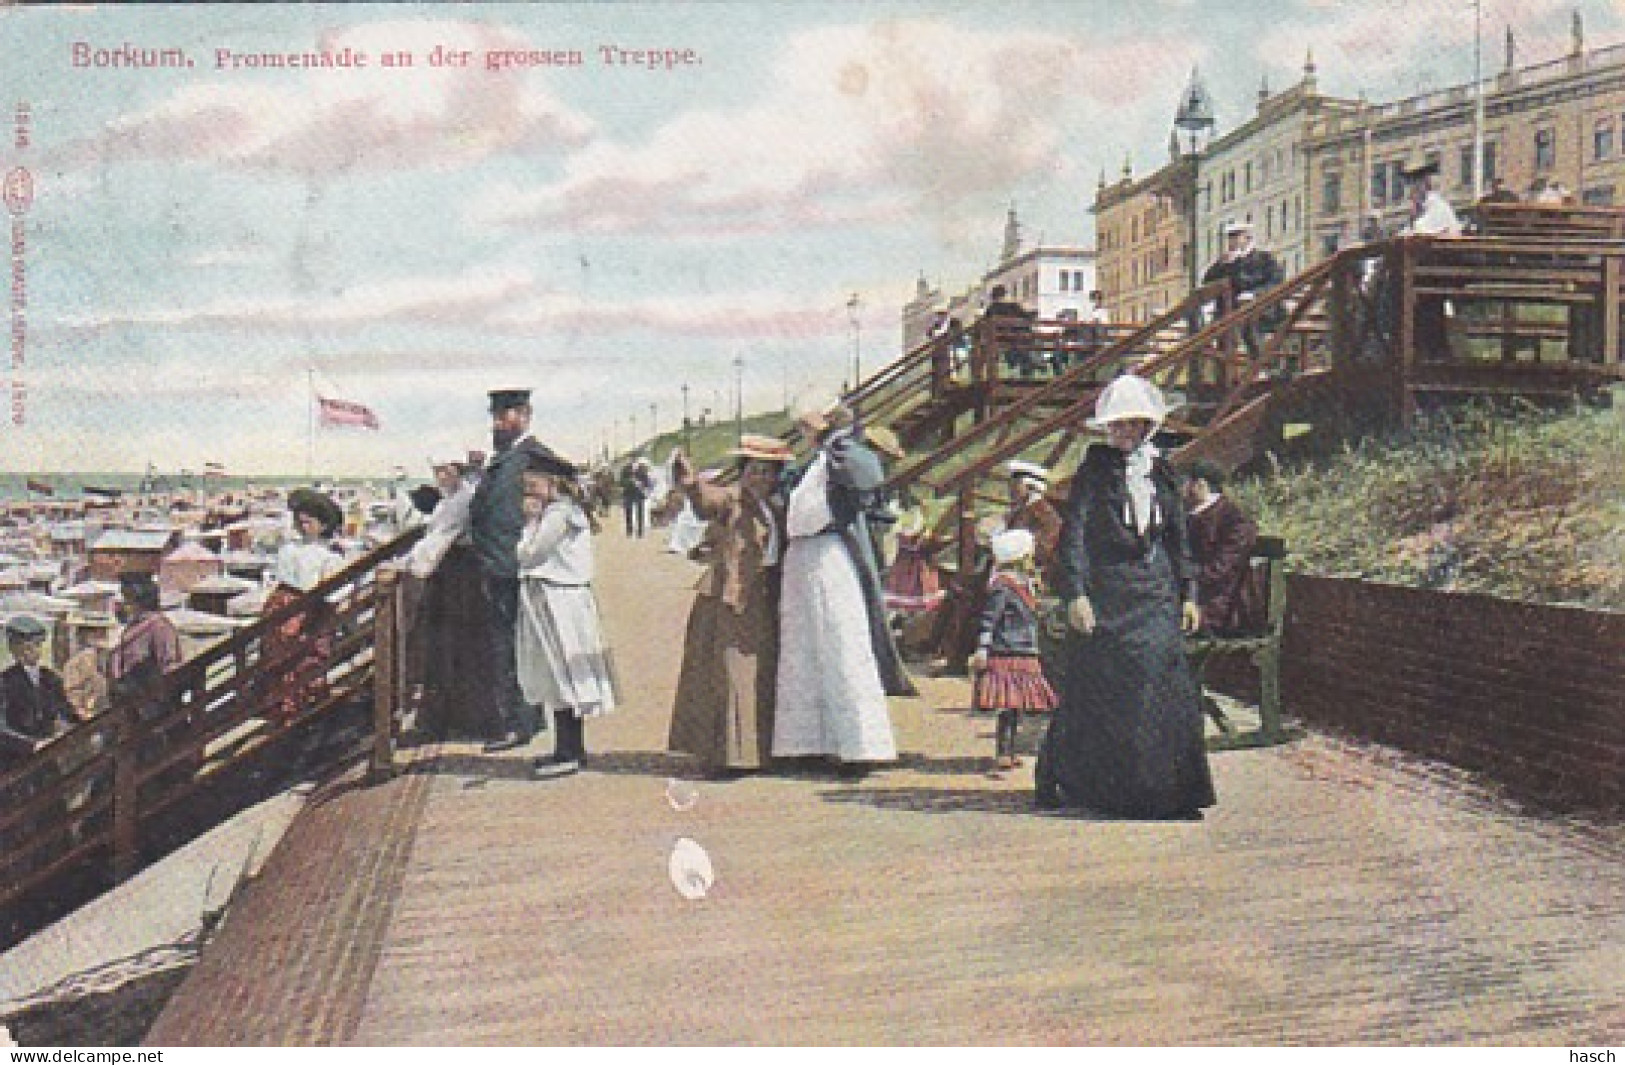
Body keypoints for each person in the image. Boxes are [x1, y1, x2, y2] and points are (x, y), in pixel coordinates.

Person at [1036, 375, 1216, 820]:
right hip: (1110, 591)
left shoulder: (1163, 471)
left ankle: (1164, 792)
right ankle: (1109, 789)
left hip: (1155, 591)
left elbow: (1178, 540)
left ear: (1146, 427)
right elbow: (1074, 536)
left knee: (1161, 679)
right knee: (1106, 685)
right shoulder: (1094, 471)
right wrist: (1075, 594)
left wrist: (1189, 593)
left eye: (1132, 426)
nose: (1124, 434)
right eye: (1116, 426)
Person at [773, 405, 915, 772]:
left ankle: (859, 746)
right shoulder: (811, 461)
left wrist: (839, 437)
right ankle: (807, 743)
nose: (803, 427)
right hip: (801, 556)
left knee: (841, 640)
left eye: (809, 420)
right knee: (802, 647)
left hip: (830, 551)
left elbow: (869, 475)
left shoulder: (843, 452)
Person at [667, 435, 792, 777]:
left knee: (756, 676)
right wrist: (692, 484)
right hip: (729, 598)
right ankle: (725, 755)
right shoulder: (733, 500)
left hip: (761, 598)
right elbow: (708, 501)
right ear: (743, 472)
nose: (761, 478)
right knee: (729, 675)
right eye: (755, 471)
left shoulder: (775, 506)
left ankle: (755, 752)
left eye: (768, 472)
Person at [469, 388, 574, 753]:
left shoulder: (533, 456)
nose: (499, 422)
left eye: (507, 415)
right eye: (496, 416)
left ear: (526, 415)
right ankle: (522, 720)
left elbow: (564, 491)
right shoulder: (507, 458)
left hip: (516, 566)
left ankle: (518, 724)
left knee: (516, 648)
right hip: (498, 565)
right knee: (509, 647)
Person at [514, 452, 615, 779]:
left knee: (564, 672)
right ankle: (566, 748)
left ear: (552, 483)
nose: (528, 492)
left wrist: (529, 523)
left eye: (533, 485)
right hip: (552, 598)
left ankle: (571, 751)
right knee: (557, 674)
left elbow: (530, 554)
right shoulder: (560, 512)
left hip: (560, 600)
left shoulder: (558, 516)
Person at [404, 457, 499, 739]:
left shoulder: (463, 499)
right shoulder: (449, 499)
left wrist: (411, 565)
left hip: (461, 575)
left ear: (459, 471)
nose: (441, 476)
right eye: (437, 471)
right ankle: (452, 716)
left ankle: (463, 719)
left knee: (458, 646)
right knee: (447, 647)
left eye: (446, 470)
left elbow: (441, 538)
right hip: (451, 574)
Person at [970, 529, 1058, 775]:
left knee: (1017, 706)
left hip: (1025, 650)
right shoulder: (1003, 587)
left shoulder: (1024, 584)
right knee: (1007, 706)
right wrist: (983, 647)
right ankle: (1002, 752)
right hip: (1007, 651)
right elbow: (990, 619)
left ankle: (1011, 750)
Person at [260, 488, 345, 725]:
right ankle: (285, 710)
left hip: (309, 609)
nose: (302, 526)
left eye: (309, 522)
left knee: (305, 660)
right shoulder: (291, 550)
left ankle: (303, 710)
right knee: (284, 660)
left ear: (324, 524)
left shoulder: (328, 556)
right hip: (288, 607)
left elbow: (333, 592)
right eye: (301, 521)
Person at [1183, 461, 1261, 636]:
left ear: (1200, 485)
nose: (1182, 488)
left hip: (1222, 602)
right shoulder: (1188, 515)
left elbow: (1223, 568)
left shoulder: (1233, 519)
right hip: (1191, 593)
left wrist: (1187, 578)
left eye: (1186, 482)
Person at [1398, 159, 1461, 362]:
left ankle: (1431, 353)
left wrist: (1413, 220)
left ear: (1424, 184)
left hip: (1443, 271)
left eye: (1414, 183)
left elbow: (1418, 233)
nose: (1410, 190)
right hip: (1432, 271)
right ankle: (1424, 350)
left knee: (1424, 303)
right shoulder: (1425, 208)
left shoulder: (1437, 206)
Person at [108, 572, 183, 724]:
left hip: (151, 706)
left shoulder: (158, 626)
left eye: (128, 600)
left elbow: (169, 664)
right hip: (128, 704)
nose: (123, 606)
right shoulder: (131, 627)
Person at [1203, 221, 1283, 361]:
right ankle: (1227, 367)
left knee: (1249, 321)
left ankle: (1259, 364)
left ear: (1247, 238)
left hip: (1262, 308)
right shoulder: (1227, 262)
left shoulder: (1264, 258)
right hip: (1231, 312)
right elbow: (1207, 283)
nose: (1232, 241)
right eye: (1230, 237)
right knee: (1223, 325)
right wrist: (1221, 265)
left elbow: (1275, 283)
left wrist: (1254, 294)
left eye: (1236, 237)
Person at [0, 615, 73, 765]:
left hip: (48, 758)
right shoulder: (5, 682)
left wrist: (67, 729)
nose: (33, 651)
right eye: (27, 647)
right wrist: (31, 746)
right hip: (14, 761)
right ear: (13, 649)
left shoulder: (51, 679)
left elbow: (66, 712)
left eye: (38, 645)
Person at [1004, 460, 1062, 589]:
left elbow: (1046, 547)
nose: (1011, 490)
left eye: (1016, 485)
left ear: (1031, 487)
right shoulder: (1019, 512)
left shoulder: (1045, 514)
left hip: (1037, 575)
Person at [61, 618, 114, 723]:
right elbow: (73, 695)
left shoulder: (109, 658)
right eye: (100, 632)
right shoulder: (76, 663)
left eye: (104, 632)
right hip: (90, 719)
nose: (104, 636)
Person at [619, 460, 651, 538]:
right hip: (628, 493)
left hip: (639, 494)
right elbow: (621, 482)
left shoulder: (642, 469)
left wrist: (641, 484)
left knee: (640, 513)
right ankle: (629, 531)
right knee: (628, 512)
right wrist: (631, 482)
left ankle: (640, 531)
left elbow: (647, 482)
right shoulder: (625, 469)